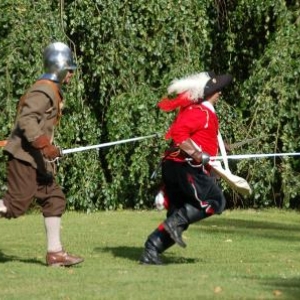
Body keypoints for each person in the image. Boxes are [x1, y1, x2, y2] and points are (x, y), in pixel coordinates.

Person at [0, 42, 84, 267]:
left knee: (54, 199)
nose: (71, 75)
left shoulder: (51, 89)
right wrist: (46, 146)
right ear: (60, 68)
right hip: (24, 157)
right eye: (70, 70)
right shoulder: (44, 89)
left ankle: (55, 253)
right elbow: (26, 120)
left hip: (37, 159)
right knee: (14, 206)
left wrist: (49, 151)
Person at [140, 71, 233, 265]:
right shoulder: (202, 112)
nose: (220, 94)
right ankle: (173, 224)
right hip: (185, 167)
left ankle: (151, 249)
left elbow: (199, 137)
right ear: (210, 93)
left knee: (180, 213)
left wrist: (220, 148)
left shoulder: (201, 112)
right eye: (218, 90)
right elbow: (179, 135)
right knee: (215, 200)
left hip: (176, 167)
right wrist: (198, 154)